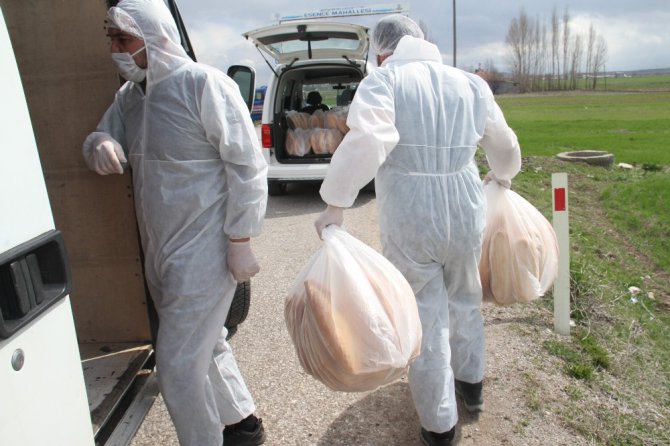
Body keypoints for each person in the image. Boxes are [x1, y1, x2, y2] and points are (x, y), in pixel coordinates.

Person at [314, 14, 521, 446]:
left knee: (425, 315)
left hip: (412, 213)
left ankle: (440, 425)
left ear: (381, 51)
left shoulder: (386, 81)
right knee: (465, 298)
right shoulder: (470, 84)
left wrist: (335, 204)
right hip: (465, 205)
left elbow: (367, 140)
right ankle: (472, 386)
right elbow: (503, 143)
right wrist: (503, 177)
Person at [82, 1, 268, 445]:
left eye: (123, 39)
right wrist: (101, 142)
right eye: (111, 39)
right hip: (160, 248)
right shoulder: (130, 98)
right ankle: (243, 424)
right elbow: (100, 135)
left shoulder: (203, 85)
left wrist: (240, 237)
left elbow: (247, 165)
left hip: (205, 249)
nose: (115, 50)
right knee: (208, 343)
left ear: (155, 37)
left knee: (177, 366)